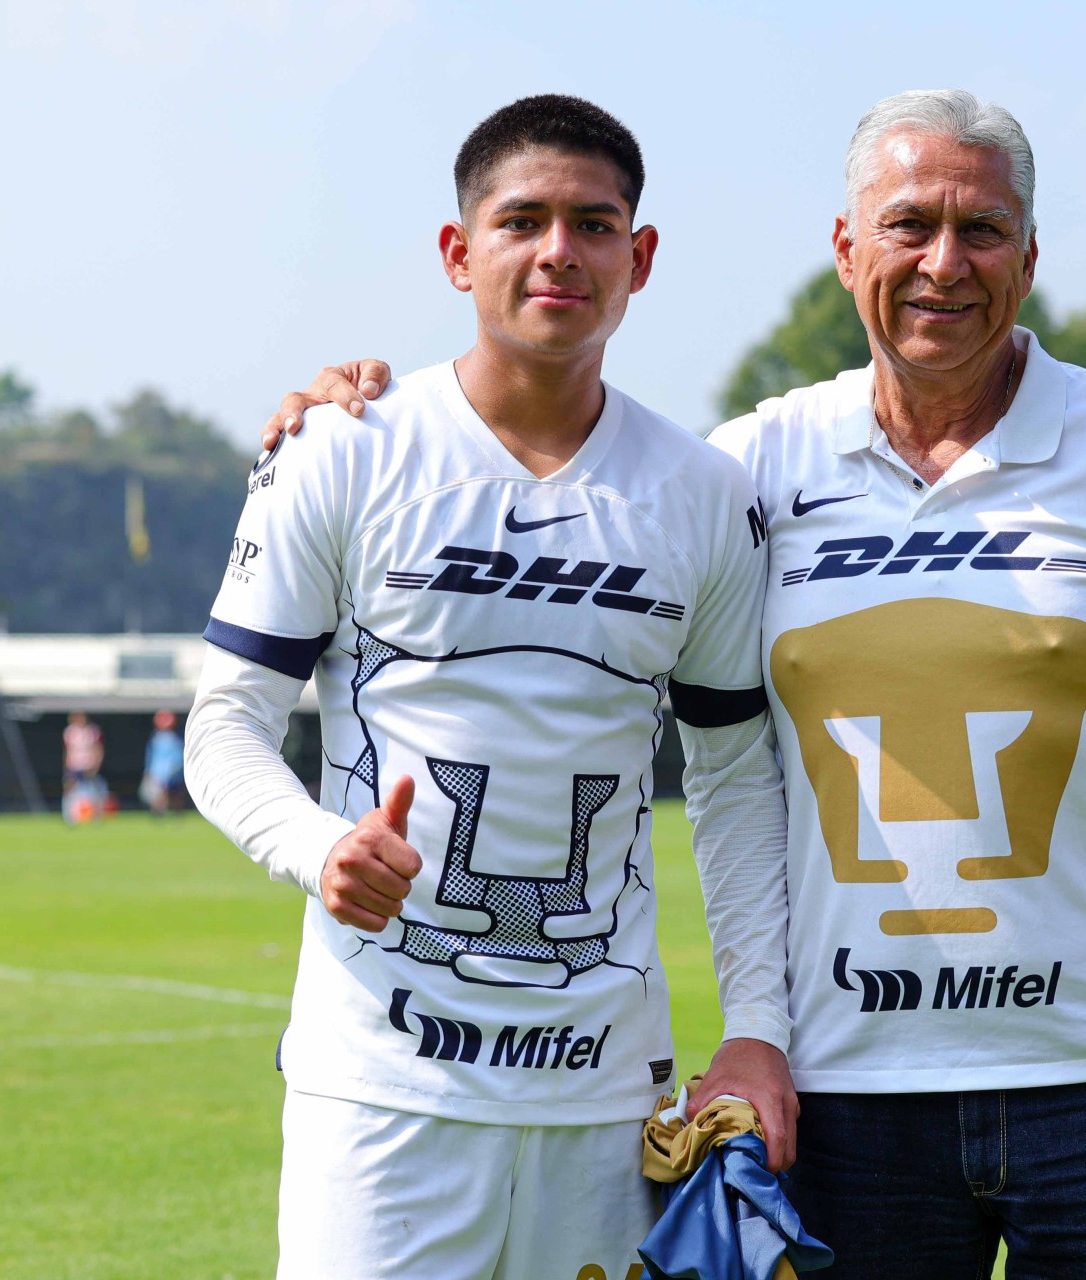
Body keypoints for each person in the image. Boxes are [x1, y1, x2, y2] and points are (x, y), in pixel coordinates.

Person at [274, 88, 1086, 1278]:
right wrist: (354, 421)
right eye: (908, 225)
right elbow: (573, 488)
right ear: (845, 249)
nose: (944, 263)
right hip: (845, 1095)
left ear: (1029, 257)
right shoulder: (749, 467)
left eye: (982, 231)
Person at [188, 95, 792, 1280]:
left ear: (639, 257)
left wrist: (759, 1026)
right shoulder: (344, 448)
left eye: (593, 223)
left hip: (604, 1096)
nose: (559, 250)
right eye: (522, 220)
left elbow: (733, 779)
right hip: (382, 1087)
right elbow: (225, 724)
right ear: (459, 252)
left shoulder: (706, 492)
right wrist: (320, 847)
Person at [61, 709, 106, 824]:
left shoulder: (92, 731)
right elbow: (67, 750)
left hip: (88, 764)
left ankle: (96, 816)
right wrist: (67, 765)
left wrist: (96, 764)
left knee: (94, 790)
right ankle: (69, 816)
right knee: (69, 788)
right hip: (74, 764)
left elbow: (98, 749)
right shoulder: (69, 732)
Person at [140, 710, 185, 815]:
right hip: (157, 774)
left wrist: (174, 771)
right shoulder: (156, 737)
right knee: (157, 796)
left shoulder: (175, 739)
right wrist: (148, 771)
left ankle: (175, 814)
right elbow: (151, 757)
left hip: (172, 774)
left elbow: (178, 758)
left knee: (175, 797)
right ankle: (159, 814)